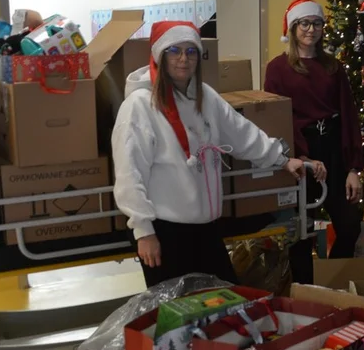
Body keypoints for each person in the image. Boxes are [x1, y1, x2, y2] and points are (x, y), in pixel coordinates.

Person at [113, 20, 308, 287]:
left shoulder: (205, 97)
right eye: (175, 51)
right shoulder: (138, 106)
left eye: (191, 52)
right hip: (164, 230)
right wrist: (143, 231)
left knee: (221, 302)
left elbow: (241, 134)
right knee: (177, 315)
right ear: (160, 54)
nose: (184, 59)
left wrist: (281, 159)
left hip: (206, 228)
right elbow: (129, 172)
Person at [265, 0, 364, 285]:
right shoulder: (277, 69)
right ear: (294, 27)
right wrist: (304, 158)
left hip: (334, 153)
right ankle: (306, 292)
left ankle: (331, 284)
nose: (312, 29)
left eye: (317, 23)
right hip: (300, 156)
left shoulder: (333, 67)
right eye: (305, 23)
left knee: (349, 227)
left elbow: (348, 117)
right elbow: (279, 119)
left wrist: (353, 168)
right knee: (300, 233)